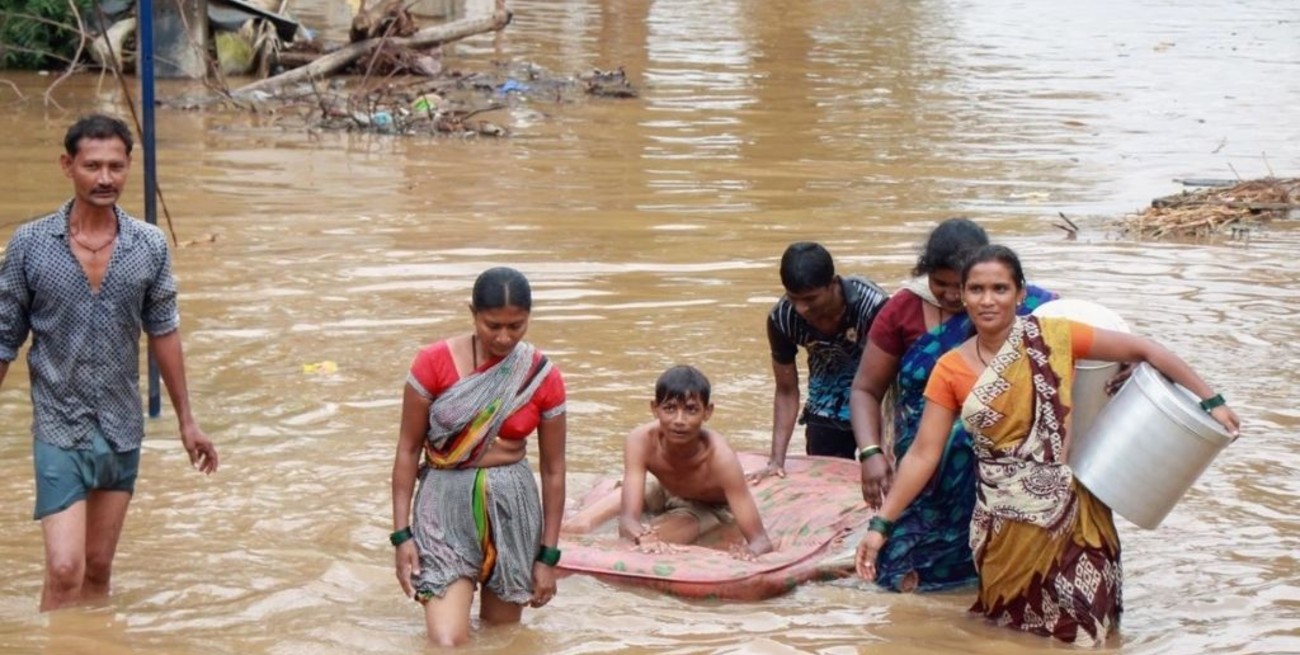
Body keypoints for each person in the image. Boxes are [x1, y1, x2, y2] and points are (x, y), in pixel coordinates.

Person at [856, 245, 1240, 645]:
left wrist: (1212, 402)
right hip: (1004, 532)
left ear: (1021, 294)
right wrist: (881, 525)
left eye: (1000, 289)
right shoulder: (950, 369)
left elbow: (1144, 348)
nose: (988, 300)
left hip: (1074, 520)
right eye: (977, 289)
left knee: (1088, 633)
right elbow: (923, 454)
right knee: (1011, 634)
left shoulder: (1055, 339)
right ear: (963, 296)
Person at [0, 114, 219, 612]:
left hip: (121, 426)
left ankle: (90, 642)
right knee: (64, 569)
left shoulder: (148, 245)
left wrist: (188, 421)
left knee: (97, 568)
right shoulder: (31, 246)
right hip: (58, 426)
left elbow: (163, 329)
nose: (105, 178)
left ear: (127, 168)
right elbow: (3, 339)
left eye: (116, 167)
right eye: (92, 165)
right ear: (67, 166)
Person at [848, 218, 1056, 592]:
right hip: (924, 472)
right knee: (900, 576)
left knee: (1002, 574)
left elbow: (1091, 348)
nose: (949, 295)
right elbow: (865, 388)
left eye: (958, 285)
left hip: (1003, 472)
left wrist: (1121, 372)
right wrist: (870, 451)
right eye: (938, 283)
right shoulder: (903, 311)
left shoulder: (1035, 308)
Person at [390, 266, 567, 647]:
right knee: (447, 641)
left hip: (512, 511)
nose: (504, 337)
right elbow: (407, 450)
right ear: (472, 314)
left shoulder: (541, 375)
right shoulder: (432, 363)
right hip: (442, 508)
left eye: (516, 326)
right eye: (492, 325)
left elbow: (554, 470)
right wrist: (401, 535)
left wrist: (547, 557)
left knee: (502, 638)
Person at [563, 365, 774, 558]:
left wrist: (749, 553)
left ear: (707, 412)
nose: (679, 421)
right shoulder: (640, 440)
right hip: (662, 488)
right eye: (670, 408)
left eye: (691, 410)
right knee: (576, 527)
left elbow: (760, 540)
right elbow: (628, 520)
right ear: (655, 408)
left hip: (705, 506)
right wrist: (639, 533)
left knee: (646, 548)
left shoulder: (721, 458)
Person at [752, 242, 889, 481]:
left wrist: (884, 447)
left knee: (885, 476)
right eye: (794, 298)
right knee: (826, 482)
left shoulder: (872, 305)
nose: (802, 308)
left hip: (877, 399)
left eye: (811, 299)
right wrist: (776, 460)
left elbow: (892, 375)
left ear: (833, 284)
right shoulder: (783, 318)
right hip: (827, 404)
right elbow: (786, 391)